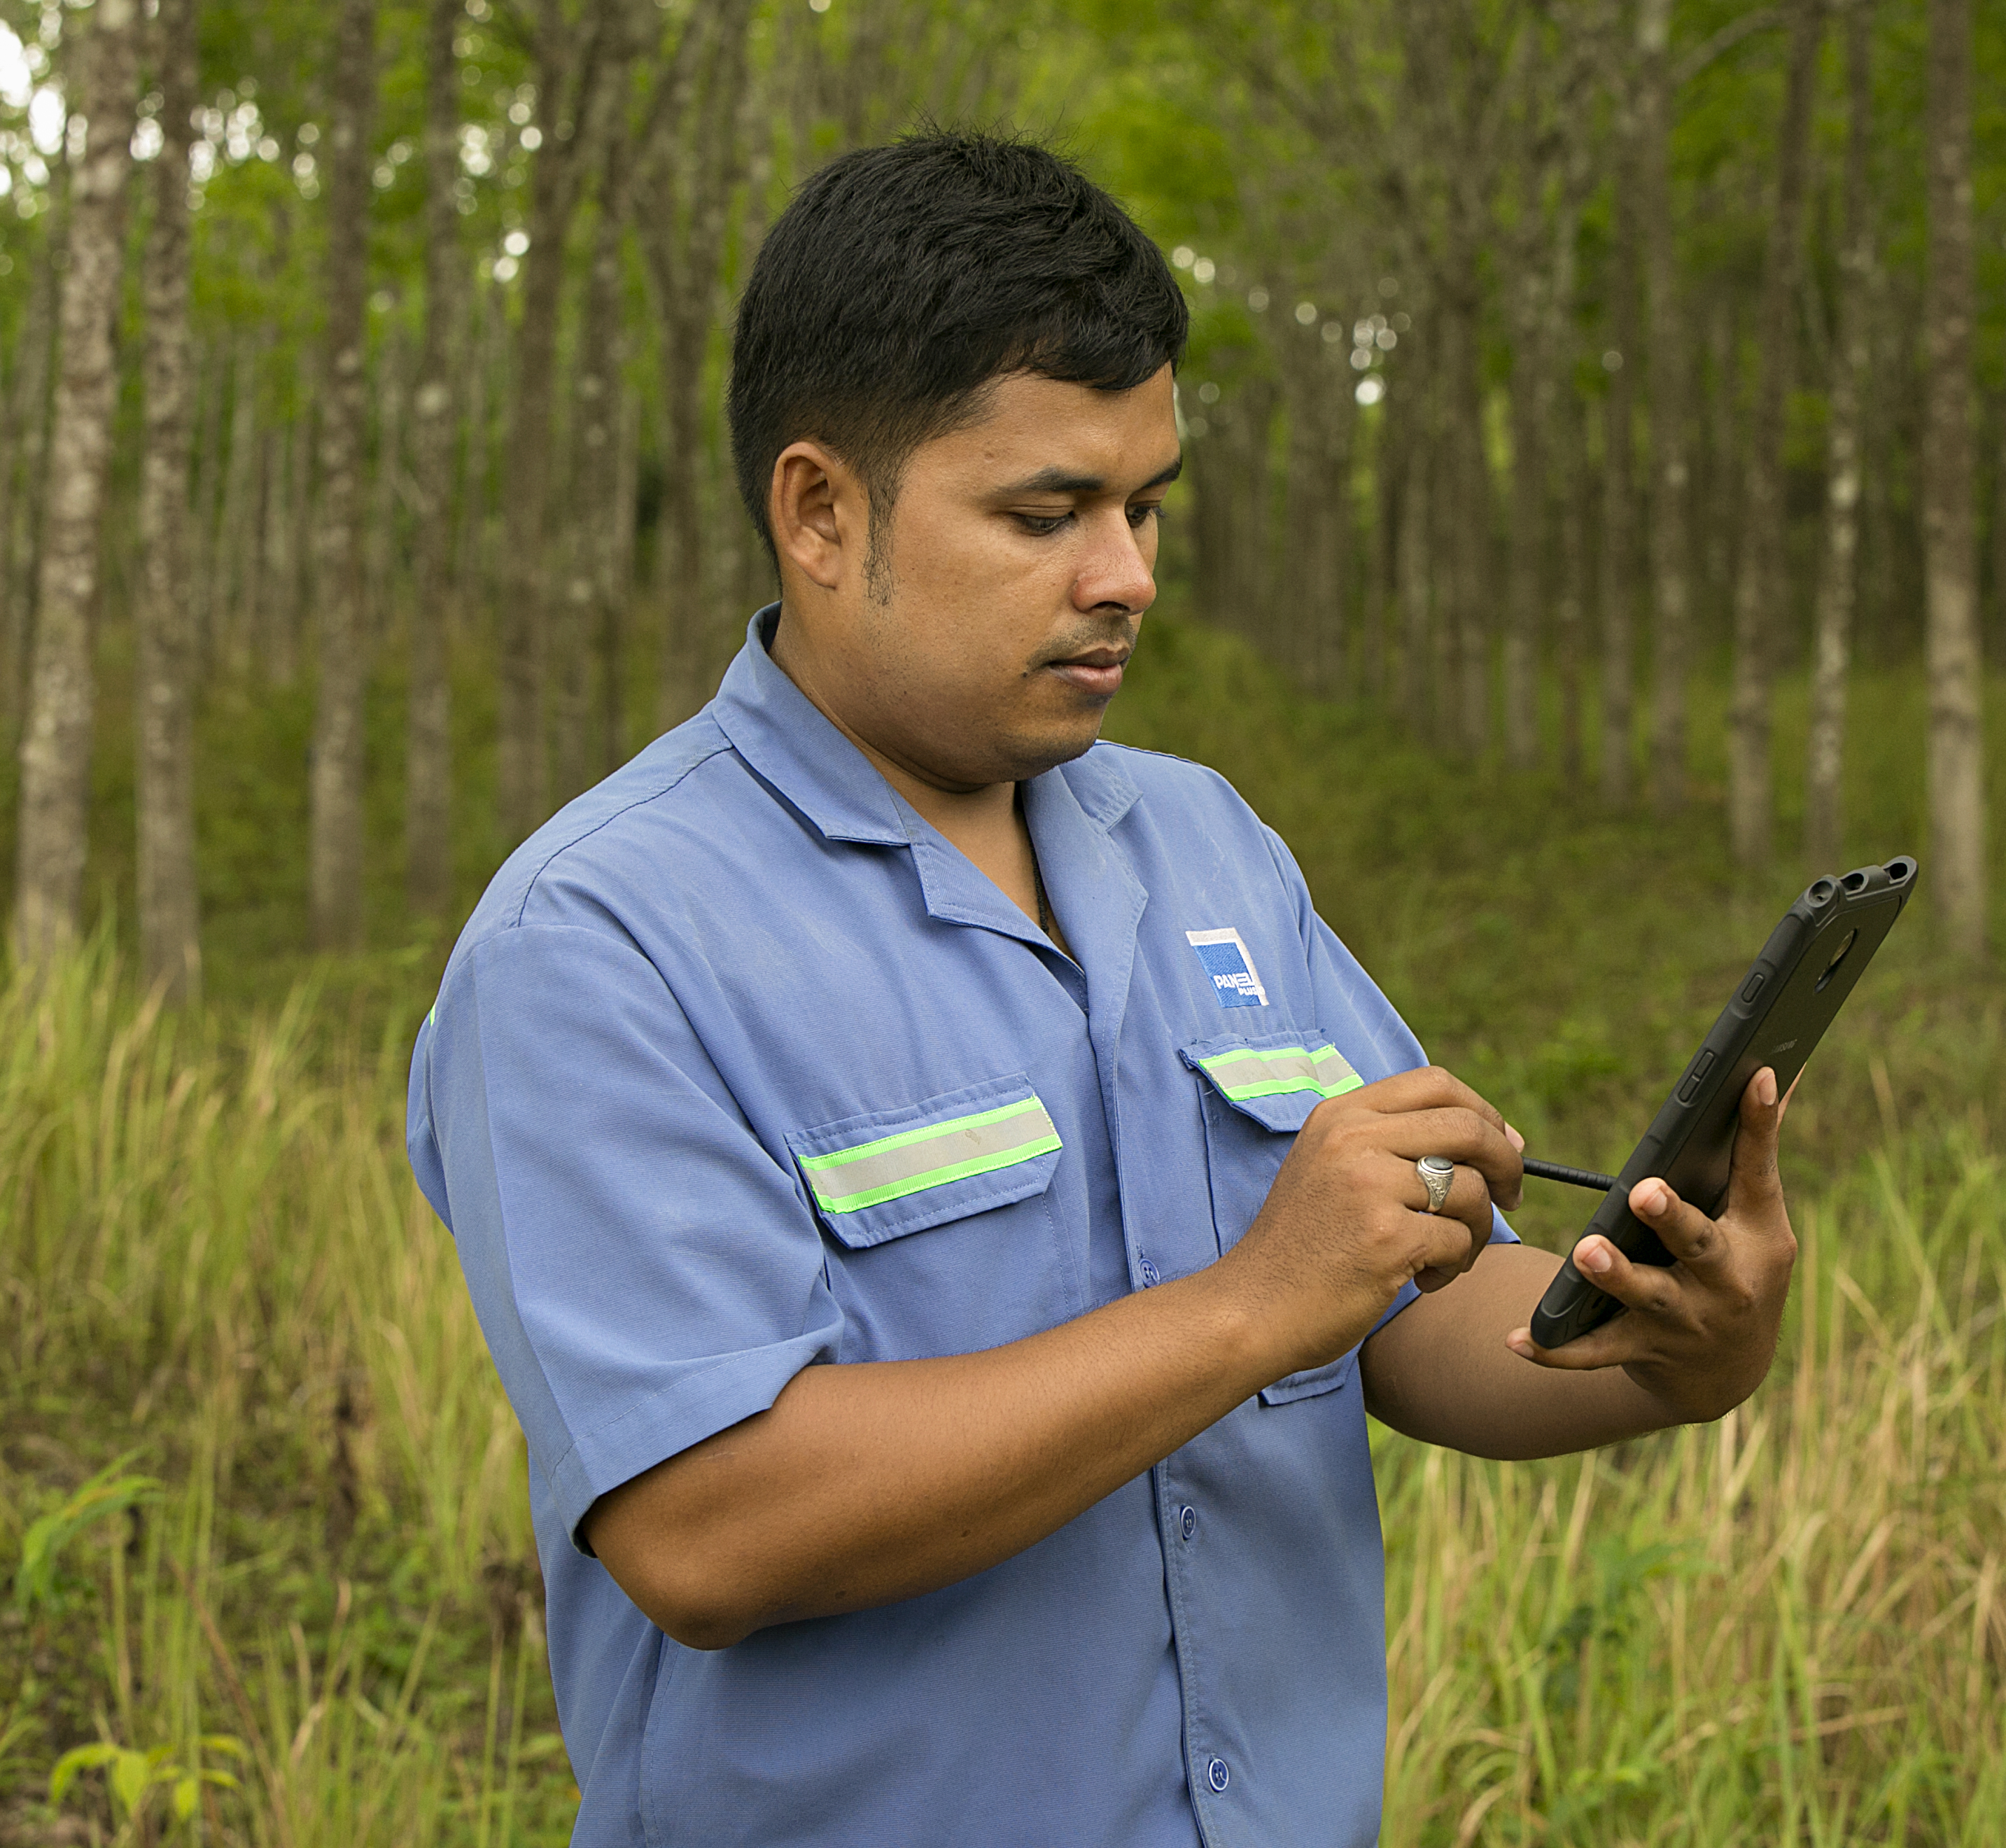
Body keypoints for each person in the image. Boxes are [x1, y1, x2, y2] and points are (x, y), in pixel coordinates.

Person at [406, 131, 1798, 1848]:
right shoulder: (602, 940)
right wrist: (1243, 1308)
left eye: (1144, 506)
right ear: (822, 512)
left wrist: (1669, 1350)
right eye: (1046, 513)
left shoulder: (1203, 843)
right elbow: (709, 1527)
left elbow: (1406, 1309)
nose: (1126, 574)